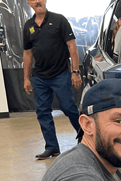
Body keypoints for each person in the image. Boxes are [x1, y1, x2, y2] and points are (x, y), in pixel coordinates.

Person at [23, 0, 81, 160]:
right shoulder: (28, 26)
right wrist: (26, 78)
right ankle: (52, 147)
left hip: (60, 74)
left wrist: (75, 72)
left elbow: (72, 46)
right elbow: (27, 54)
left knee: (69, 107)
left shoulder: (59, 20)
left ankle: (84, 137)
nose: (37, 2)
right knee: (42, 112)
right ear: (29, 3)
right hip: (40, 78)